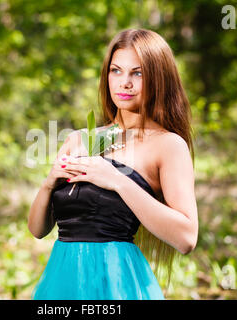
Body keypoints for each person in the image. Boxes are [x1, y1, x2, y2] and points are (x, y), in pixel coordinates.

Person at [28, 28, 198, 300]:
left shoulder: (168, 145)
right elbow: (38, 230)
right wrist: (49, 184)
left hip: (118, 283)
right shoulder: (79, 140)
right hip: (63, 281)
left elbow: (187, 238)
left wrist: (117, 181)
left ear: (159, 78)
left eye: (138, 73)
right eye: (116, 71)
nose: (124, 83)